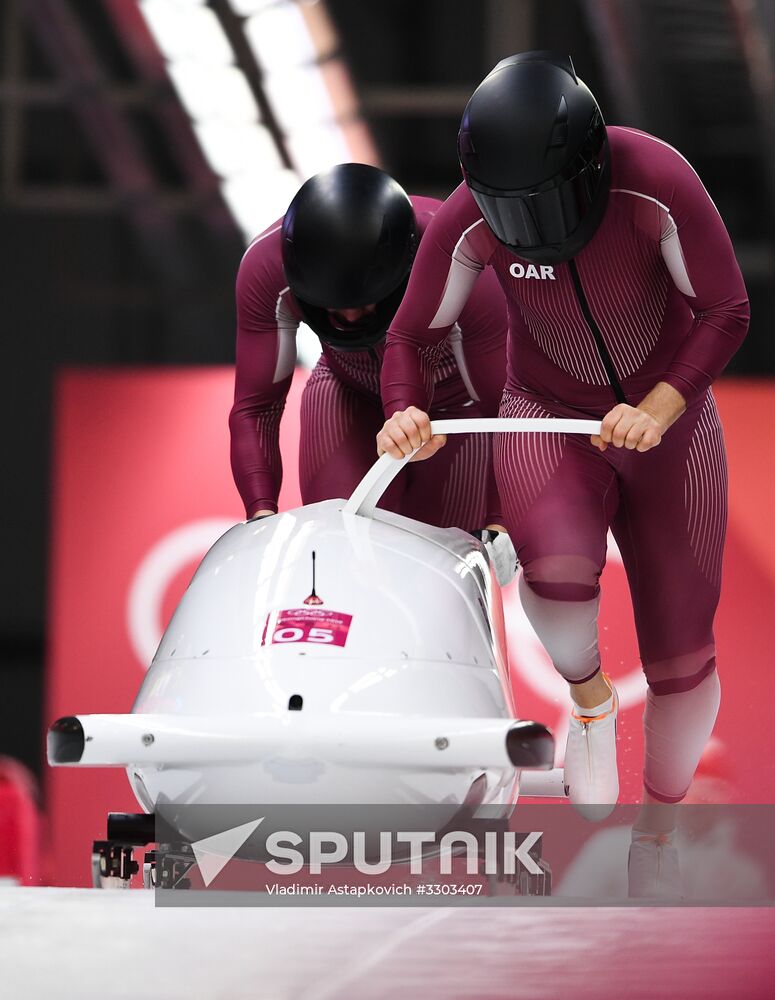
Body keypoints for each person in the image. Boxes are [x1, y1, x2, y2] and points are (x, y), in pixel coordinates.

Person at [376, 52, 749, 895]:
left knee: (681, 652)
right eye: (510, 210)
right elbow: (408, 334)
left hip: (668, 423)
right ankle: (587, 700)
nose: (529, 224)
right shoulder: (467, 220)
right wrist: (402, 406)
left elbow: (726, 308)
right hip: (547, 408)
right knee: (552, 569)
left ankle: (658, 831)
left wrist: (662, 403)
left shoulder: (654, 179)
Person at [229, 162, 513, 574]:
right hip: (347, 392)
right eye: (332, 304)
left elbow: (507, 406)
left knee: (430, 572)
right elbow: (256, 407)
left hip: (455, 415)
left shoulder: (461, 259)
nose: (349, 317)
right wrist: (260, 515)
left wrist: (499, 519)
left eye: (367, 300)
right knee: (338, 560)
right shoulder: (264, 269)